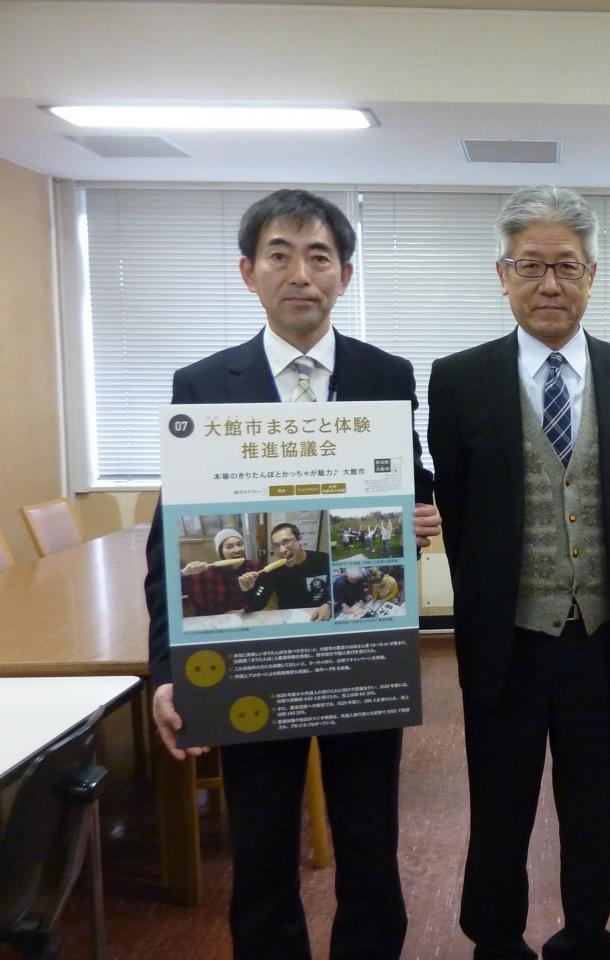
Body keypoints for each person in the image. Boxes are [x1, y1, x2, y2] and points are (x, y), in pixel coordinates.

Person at [143, 188, 440, 960]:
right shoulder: (205, 384)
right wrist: (166, 669)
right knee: (264, 852)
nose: (300, 272)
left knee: (371, 846)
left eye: (319, 256)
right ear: (249, 272)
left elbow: (404, 497)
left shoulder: (388, 374)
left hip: (358, 648)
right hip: (249, 658)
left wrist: (418, 520)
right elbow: (168, 541)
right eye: (280, 255)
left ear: (344, 273)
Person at [428, 184, 610, 960]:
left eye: (567, 266)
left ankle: (587, 935)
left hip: (599, 639)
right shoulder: (458, 379)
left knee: (593, 804)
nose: (550, 285)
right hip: (507, 637)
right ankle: (494, 939)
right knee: (501, 803)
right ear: (502, 274)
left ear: (594, 273)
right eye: (531, 266)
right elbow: (456, 511)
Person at [240, 521, 332, 620]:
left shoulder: (324, 560)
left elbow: (338, 589)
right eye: (276, 545)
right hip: (290, 620)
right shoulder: (274, 571)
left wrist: (329, 604)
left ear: (299, 540)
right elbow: (256, 606)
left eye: (286, 542)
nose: (282, 550)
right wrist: (247, 590)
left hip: (321, 616)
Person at [181, 527, 258, 616]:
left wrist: (247, 609)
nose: (237, 550)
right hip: (217, 619)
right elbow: (175, 589)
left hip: (246, 616)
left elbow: (260, 597)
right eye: (229, 547)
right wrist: (184, 573)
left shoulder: (254, 566)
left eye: (239, 544)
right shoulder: (209, 572)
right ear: (221, 552)